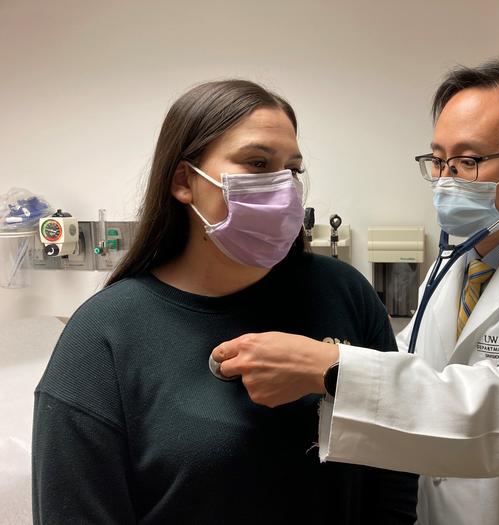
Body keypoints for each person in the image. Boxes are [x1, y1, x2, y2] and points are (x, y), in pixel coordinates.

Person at [211, 57, 499, 525]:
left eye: (468, 161)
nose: (445, 180)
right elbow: (410, 366)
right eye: (437, 160)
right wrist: (318, 355)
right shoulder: (448, 268)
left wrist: (331, 369)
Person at [32, 79, 417, 524]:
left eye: (292, 170)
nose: (283, 187)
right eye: (257, 163)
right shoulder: (104, 337)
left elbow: (396, 459)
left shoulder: (343, 292)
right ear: (184, 181)